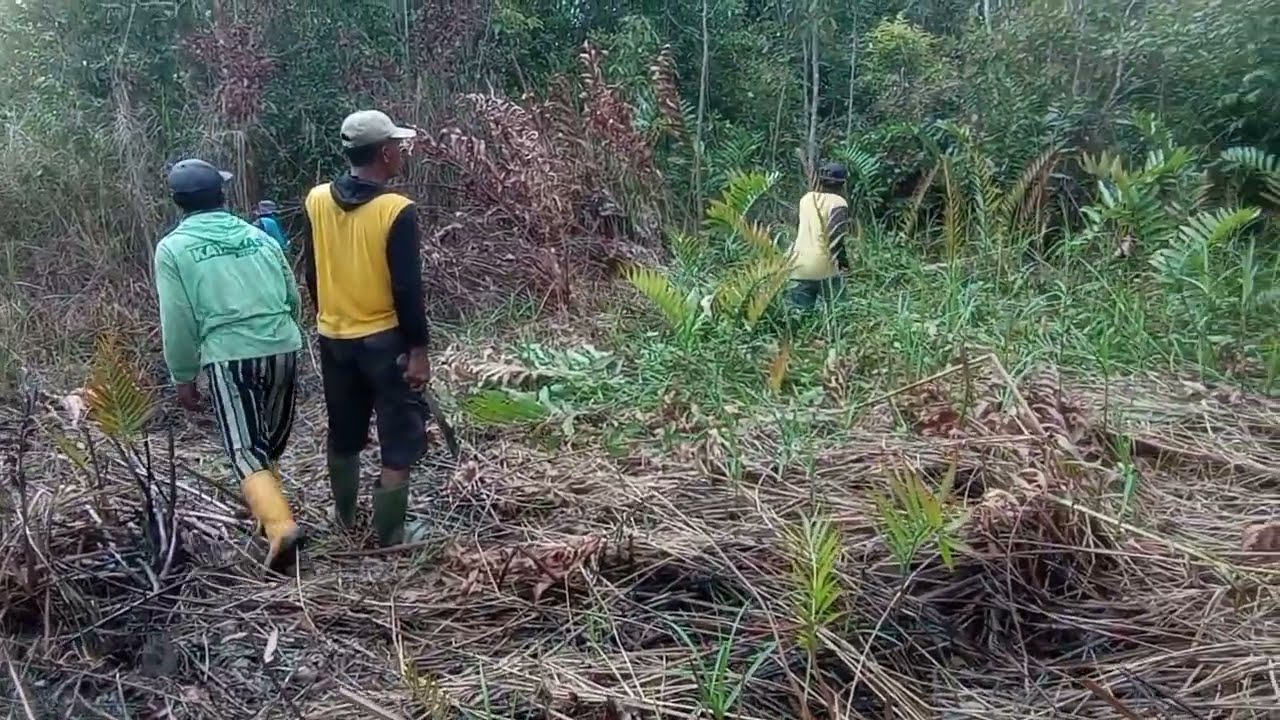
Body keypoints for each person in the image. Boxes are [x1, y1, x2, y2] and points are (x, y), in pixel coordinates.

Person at [153, 159, 305, 573]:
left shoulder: (173, 249)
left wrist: (184, 376)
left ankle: (279, 526)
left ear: (178, 203)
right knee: (267, 444)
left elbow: (178, 320)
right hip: (284, 345)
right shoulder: (258, 237)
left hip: (231, 354)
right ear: (222, 195)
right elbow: (292, 294)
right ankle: (266, 519)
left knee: (243, 450)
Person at [298, 110, 430, 547]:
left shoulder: (316, 199)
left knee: (345, 428)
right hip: (384, 340)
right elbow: (407, 288)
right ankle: (392, 530)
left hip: (334, 338)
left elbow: (312, 270)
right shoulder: (396, 210)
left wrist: (327, 315)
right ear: (387, 154)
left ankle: (345, 516)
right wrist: (418, 351)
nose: (402, 153)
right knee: (399, 430)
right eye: (399, 147)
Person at [787, 162, 852, 310]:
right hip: (825, 266)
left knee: (800, 316)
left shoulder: (806, 199)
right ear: (842, 184)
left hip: (798, 264)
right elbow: (835, 236)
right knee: (840, 311)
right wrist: (843, 263)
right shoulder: (839, 203)